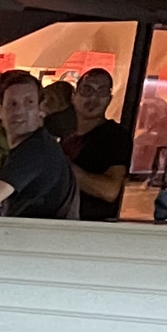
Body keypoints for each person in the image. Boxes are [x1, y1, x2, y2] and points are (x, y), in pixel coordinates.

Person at [0, 69, 77, 221]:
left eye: (29, 102)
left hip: (40, 241)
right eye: (12, 104)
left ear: (40, 109)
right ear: (1, 111)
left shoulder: (35, 149)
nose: (19, 111)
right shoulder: (36, 145)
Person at [62, 69, 134, 220]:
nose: (93, 97)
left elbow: (110, 191)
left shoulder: (115, 137)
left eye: (101, 91)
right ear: (74, 96)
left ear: (109, 98)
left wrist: (62, 167)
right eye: (87, 90)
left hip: (90, 225)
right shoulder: (56, 129)